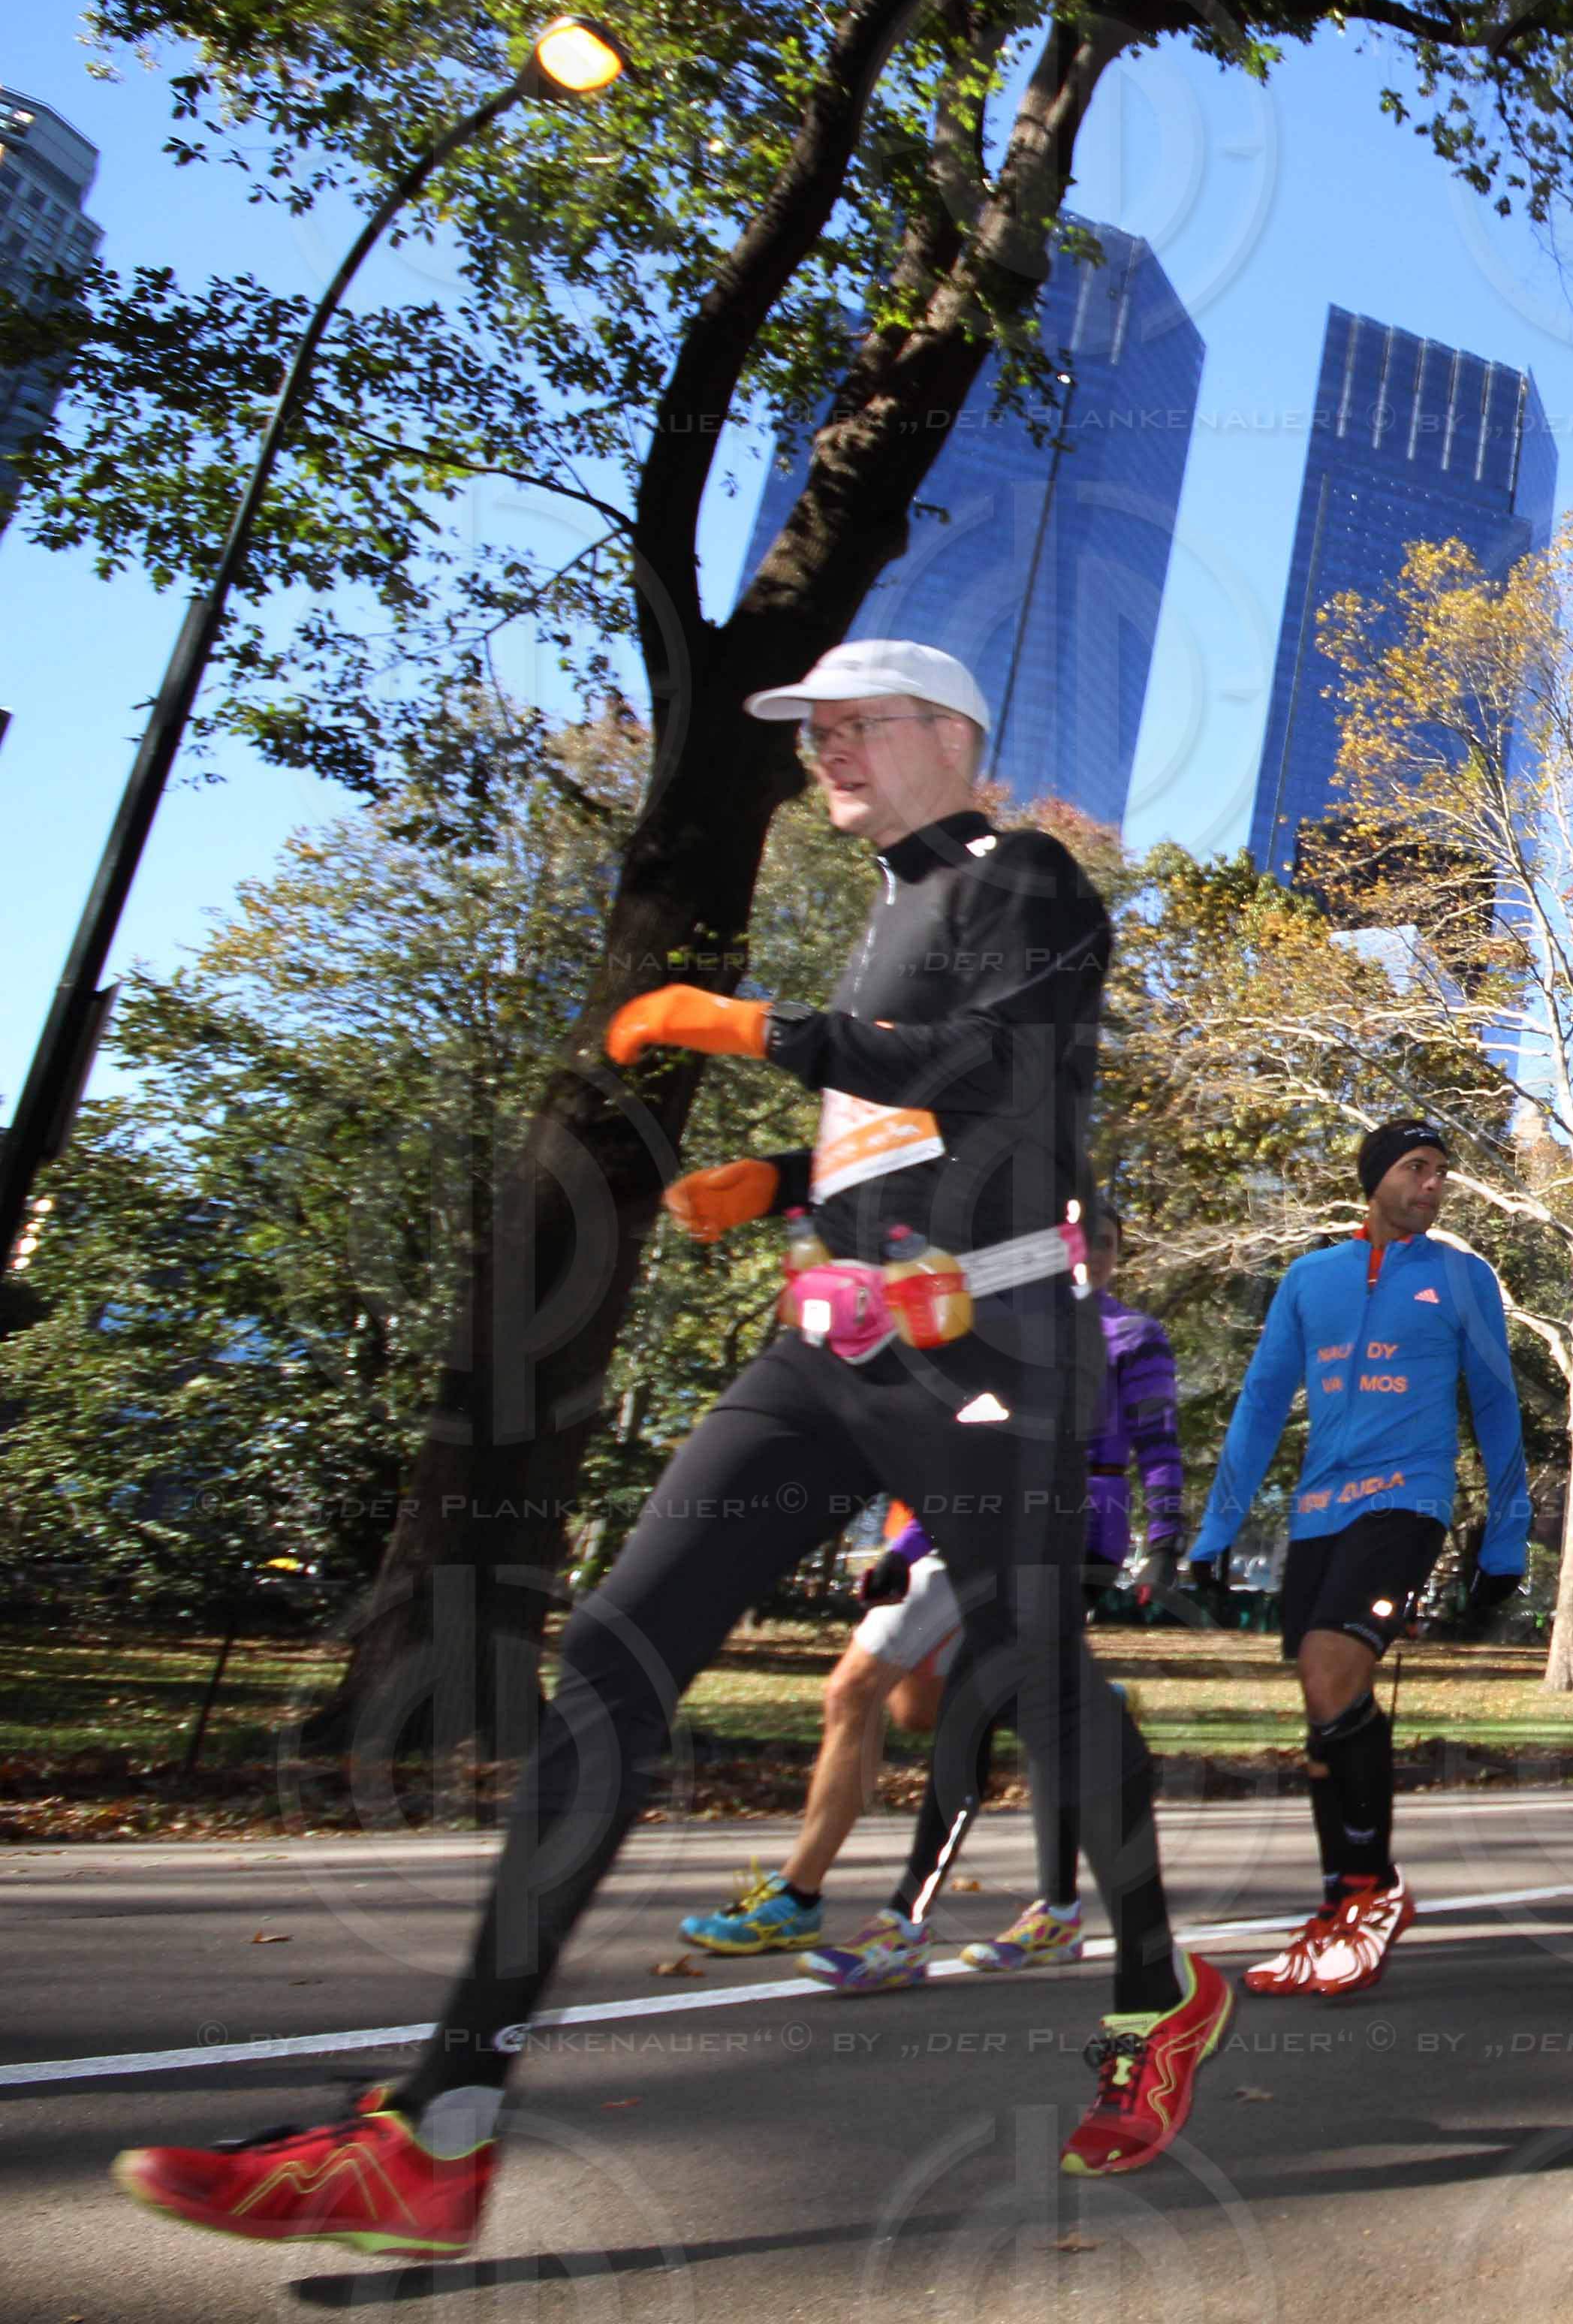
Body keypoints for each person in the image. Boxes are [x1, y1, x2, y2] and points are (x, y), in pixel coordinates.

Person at [114, 643, 1225, 2258]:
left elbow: (1001, 1074)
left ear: (946, 734)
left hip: (991, 1350)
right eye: (813, 731)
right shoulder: (890, 905)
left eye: (855, 725)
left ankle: (1154, 1990)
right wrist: (781, 1183)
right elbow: (923, 1124)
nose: (827, 750)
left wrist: (749, 1027)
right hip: (830, 1343)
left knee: (1037, 1676)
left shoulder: (1027, 877)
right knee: (614, 1657)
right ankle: (437, 2130)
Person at [799, 1210, 1194, 1988]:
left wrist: (1165, 1542)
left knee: (968, 1712)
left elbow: (1159, 1443)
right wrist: (904, 1553)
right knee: (1037, 1722)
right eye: (1076, 1240)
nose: (1090, 1255)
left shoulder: (1132, 1335)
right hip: (1000, 1532)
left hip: (1077, 1541)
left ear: (1117, 1257)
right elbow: (973, 1462)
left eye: (1106, 1243)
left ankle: (907, 1926)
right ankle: (1057, 1906)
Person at [1188, 1115, 1530, 2002]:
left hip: (1406, 1501)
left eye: (1441, 1171)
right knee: (1323, 1708)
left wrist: (1506, 1536)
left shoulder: (1462, 1277)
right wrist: (1217, 1531)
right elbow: (1262, 1403)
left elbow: (1496, 1406)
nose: (1434, 1184)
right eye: (1416, 1168)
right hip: (1318, 1514)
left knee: (1330, 1666)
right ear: (1374, 1177)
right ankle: (1339, 1903)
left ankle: (1373, 1894)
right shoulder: (1310, 1279)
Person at [673, 1502, 963, 1962]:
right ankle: (1067, 1717)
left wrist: (907, 1549)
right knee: (916, 1713)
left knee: (853, 1692)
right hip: (936, 1533)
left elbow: (975, 1471)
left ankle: (797, 1896)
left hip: (960, 1540)